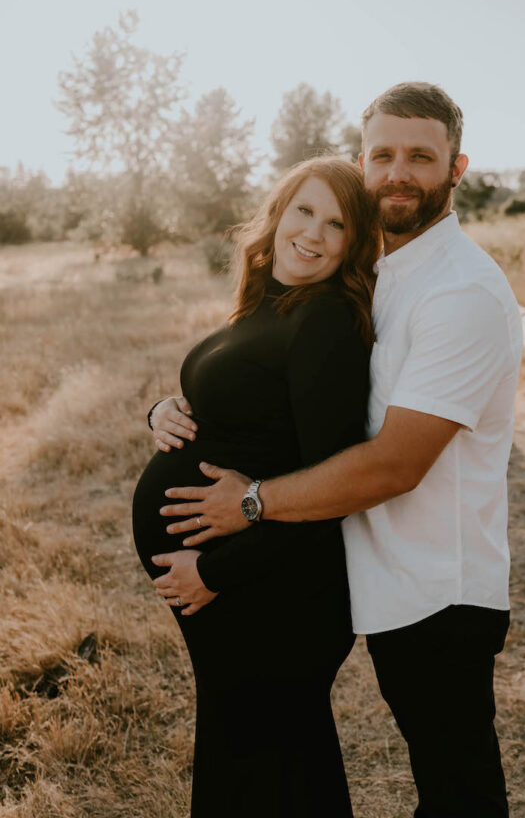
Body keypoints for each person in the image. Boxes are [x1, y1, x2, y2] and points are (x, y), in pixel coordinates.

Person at [158, 82, 523, 818]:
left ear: (456, 168)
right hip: (378, 575)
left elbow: (395, 462)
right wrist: (174, 410)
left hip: (437, 591)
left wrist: (250, 505)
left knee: (459, 794)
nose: (397, 173)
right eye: (381, 154)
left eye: (420, 156)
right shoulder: (376, 274)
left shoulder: (460, 293)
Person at [132, 155, 381, 817]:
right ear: (276, 215)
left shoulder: (324, 324)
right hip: (243, 590)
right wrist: (163, 412)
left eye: (337, 225)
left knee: (267, 769)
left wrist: (217, 571)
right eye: (305, 210)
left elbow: (332, 489)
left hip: (275, 592)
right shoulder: (271, 308)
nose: (314, 233)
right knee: (259, 760)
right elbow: (244, 414)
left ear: (352, 245)